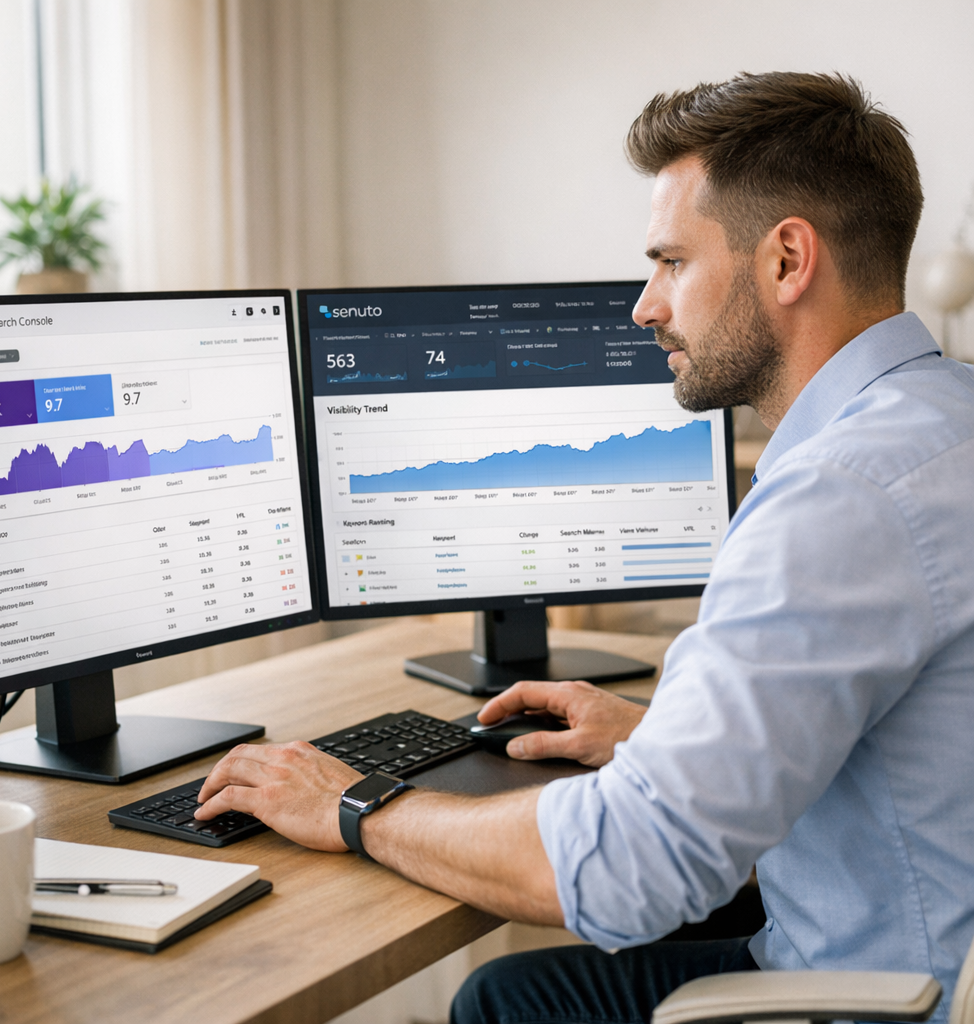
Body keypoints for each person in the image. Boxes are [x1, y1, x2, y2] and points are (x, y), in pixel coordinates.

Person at [195, 72, 974, 1024]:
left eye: (672, 262)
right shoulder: (946, 417)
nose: (646, 306)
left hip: (888, 998)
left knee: (505, 1004)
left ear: (786, 260)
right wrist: (658, 737)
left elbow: (630, 870)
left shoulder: (838, 496)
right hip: (914, 942)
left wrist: (353, 806)